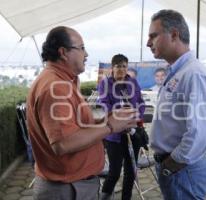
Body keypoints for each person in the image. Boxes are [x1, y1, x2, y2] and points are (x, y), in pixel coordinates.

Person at [26, 26, 138, 200]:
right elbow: (63, 143)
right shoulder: (55, 88)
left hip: (72, 185)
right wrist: (110, 126)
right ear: (63, 52)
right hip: (68, 189)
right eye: (82, 48)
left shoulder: (64, 81)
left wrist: (106, 119)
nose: (86, 55)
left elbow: (74, 124)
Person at [147, 10, 206, 200]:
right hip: (176, 167)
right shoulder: (179, 71)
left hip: (182, 168)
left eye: (153, 36)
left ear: (175, 35)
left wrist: (173, 163)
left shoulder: (193, 74)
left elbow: (201, 131)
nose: (148, 43)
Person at [97, 54, 145, 200]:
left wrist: (136, 117)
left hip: (132, 131)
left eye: (124, 66)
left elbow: (141, 102)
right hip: (114, 135)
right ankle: (104, 196)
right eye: (118, 66)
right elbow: (104, 105)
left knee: (131, 171)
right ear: (112, 68)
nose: (122, 69)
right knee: (115, 171)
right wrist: (119, 118)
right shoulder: (105, 84)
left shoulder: (133, 82)